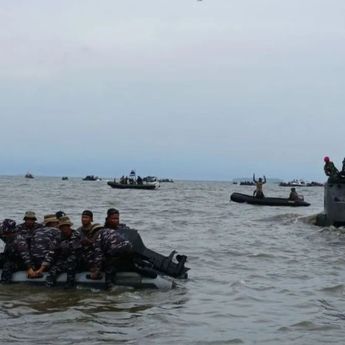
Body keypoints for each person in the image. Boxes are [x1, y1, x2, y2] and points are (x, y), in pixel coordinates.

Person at [17, 214, 61, 279]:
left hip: (34, 263)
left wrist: (30, 267)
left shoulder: (36, 231)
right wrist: (41, 269)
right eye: (57, 222)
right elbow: (52, 251)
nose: (58, 224)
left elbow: (29, 249)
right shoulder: (57, 232)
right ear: (53, 223)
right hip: (46, 265)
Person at [46, 216, 81, 288]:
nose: (64, 228)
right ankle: (49, 289)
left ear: (69, 226)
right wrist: (44, 266)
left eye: (66, 226)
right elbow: (52, 251)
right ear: (60, 228)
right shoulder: (58, 237)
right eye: (62, 226)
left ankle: (70, 285)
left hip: (77, 259)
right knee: (52, 270)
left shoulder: (77, 235)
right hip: (63, 259)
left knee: (71, 261)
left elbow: (75, 250)